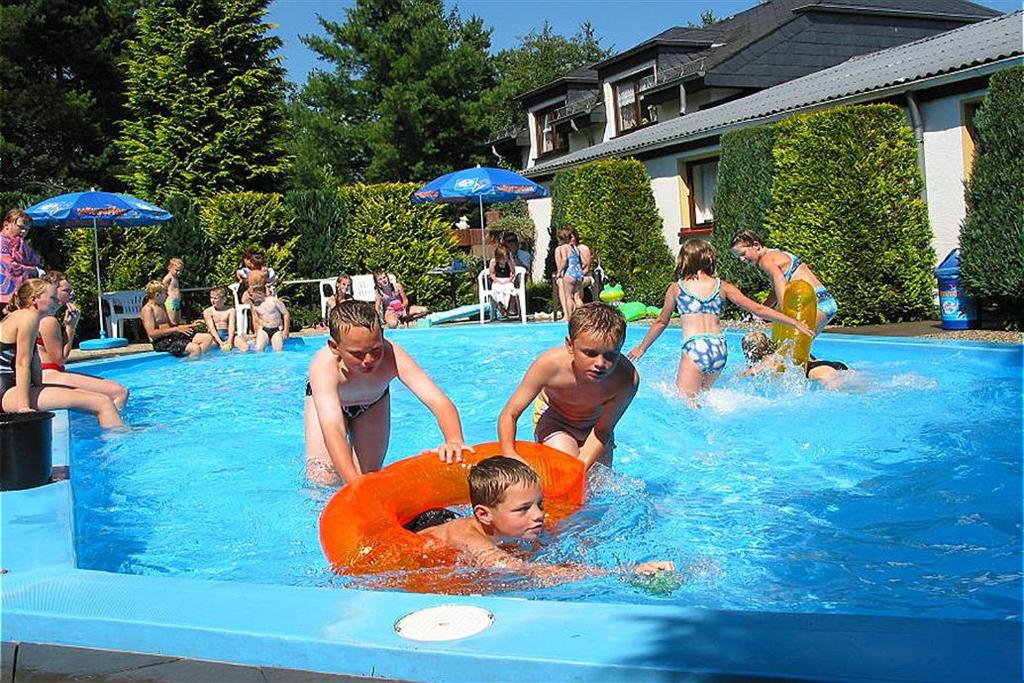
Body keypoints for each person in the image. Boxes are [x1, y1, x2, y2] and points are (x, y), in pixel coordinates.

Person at [415, 456, 674, 580]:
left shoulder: (511, 523)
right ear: (484, 514)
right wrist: (624, 572)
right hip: (427, 526)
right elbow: (528, 572)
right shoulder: (475, 544)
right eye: (523, 509)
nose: (538, 515)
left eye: (539, 504)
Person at [629, 239, 814, 407]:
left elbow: (661, 322)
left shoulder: (676, 288)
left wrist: (641, 348)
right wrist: (794, 322)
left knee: (685, 404)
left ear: (684, 260)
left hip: (696, 347)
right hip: (719, 349)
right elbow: (758, 309)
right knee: (703, 399)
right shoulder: (723, 286)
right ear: (709, 259)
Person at [304, 300, 471, 486]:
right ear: (335, 348)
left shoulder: (392, 355)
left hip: (373, 403)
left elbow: (437, 400)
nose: (368, 360)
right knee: (323, 477)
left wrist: (454, 439)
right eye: (357, 354)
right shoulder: (323, 367)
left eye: (375, 350)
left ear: (382, 337)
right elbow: (332, 427)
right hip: (330, 408)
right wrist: (353, 486)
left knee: (367, 476)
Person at [498, 302, 638, 470]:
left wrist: (582, 468)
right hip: (556, 419)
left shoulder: (626, 379)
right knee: (564, 467)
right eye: (590, 353)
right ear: (570, 345)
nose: (600, 363)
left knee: (598, 482)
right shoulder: (548, 366)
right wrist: (509, 453)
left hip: (596, 426)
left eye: (611, 355)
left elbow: (603, 429)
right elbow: (510, 413)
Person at [1, 279, 123, 427]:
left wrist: (42, 388)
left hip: (11, 388)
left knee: (101, 399)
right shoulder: (28, 317)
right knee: (102, 402)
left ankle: (120, 431)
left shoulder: (23, 317)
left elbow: (34, 365)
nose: (56, 301)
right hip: (7, 391)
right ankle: (122, 440)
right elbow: (21, 363)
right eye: (52, 298)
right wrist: (24, 408)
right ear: (34, 299)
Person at [36, 271, 129, 408]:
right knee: (119, 392)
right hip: (49, 374)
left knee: (109, 391)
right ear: (52, 291)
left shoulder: (39, 316)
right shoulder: (48, 320)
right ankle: (115, 427)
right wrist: (70, 328)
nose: (71, 294)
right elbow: (59, 359)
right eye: (66, 290)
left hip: (47, 373)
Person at [729, 230, 837, 336]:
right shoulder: (775, 254)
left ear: (756, 245)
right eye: (738, 257)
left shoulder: (765, 260)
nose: (741, 259)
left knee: (791, 348)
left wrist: (785, 312)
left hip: (816, 304)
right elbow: (776, 290)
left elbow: (779, 278)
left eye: (743, 254)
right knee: (792, 349)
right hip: (823, 300)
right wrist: (763, 309)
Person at [740, 331, 850, 384]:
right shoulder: (782, 351)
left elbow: (743, 377)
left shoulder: (765, 362)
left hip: (816, 371)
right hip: (828, 364)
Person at [140, 281, 214, 359]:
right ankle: (191, 362)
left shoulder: (161, 305)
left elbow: (171, 326)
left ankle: (191, 359)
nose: (167, 295)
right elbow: (152, 333)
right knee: (195, 349)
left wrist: (192, 325)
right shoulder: (148, 309)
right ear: (157, 295)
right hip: (161, 341)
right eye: (165, 293)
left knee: (208, 338)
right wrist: (176, 329)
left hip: (172, 336)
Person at [0, 209, 44, 308]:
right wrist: (34, 270)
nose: (24, 231)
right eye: (20, 227)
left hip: (18, 298)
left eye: (27, 229)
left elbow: (36, 260)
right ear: (6, 225)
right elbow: (8, 266)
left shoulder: (21, 244)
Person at [554, 229, 593, 320]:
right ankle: (582, 317)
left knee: (569, 297)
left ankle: (570, 317)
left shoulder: (564, 247)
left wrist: (559, 271)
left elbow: (564, 260)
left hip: (570, 273)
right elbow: (583, 263)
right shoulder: (575, 248)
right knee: (577, 297)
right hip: (578, 273)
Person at [203, 286, 248, 353]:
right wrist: (220, 342)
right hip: (214, 337)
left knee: (245, 348)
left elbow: (231, 326)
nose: (212, 300)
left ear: (223, 299)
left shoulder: (231, 310)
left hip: (227, 335)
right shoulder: (208, 311)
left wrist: (230, 340)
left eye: (215, 298)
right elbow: (212, 328)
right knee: (203, 349)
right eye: (211, 298)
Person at [248, 285, 289, 352]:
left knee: (278, 351)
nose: (250, 297)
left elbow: (286, 314)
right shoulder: (254, 306)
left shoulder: (274, 301)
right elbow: (255, 320)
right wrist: (256, 333)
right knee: (258, 350)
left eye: (252, 295)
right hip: (263, 329)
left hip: (276, 329)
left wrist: (286, 331)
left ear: (259, 293)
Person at [487, 246, 517, 320]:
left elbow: (512, 273)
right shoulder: (493, 262)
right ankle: (500, 305)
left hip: (507, 280)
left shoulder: (509, 262)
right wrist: (498, 281)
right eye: (502, 258)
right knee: (496, 289)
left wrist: (509, 280)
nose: (504, 260)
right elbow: (492, 274)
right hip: (497, 280)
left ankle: (508, 308)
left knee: (510, 289)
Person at [161, 257, 184, 324]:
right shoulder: (168, 278)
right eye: (176, 270)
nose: (179, 273)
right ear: (169, 268)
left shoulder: (175, 278)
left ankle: (178, 332)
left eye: (180, 271)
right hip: (170, 301)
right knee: (172, 320)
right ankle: (172, 333)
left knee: (178, 319)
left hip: (176, 301)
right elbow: (163, 289)